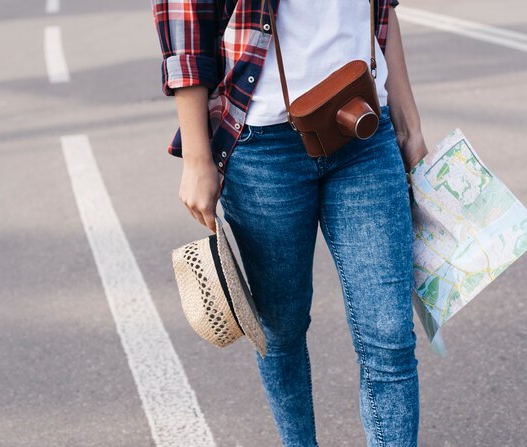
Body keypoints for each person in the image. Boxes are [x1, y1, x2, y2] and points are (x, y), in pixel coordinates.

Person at [151, 0, 428, 445]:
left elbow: (383, 8)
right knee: (281, 329)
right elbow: (186, 23)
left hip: (363, 127)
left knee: (390, 336)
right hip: (264, 145)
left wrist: (406, 113)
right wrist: (198, 158)